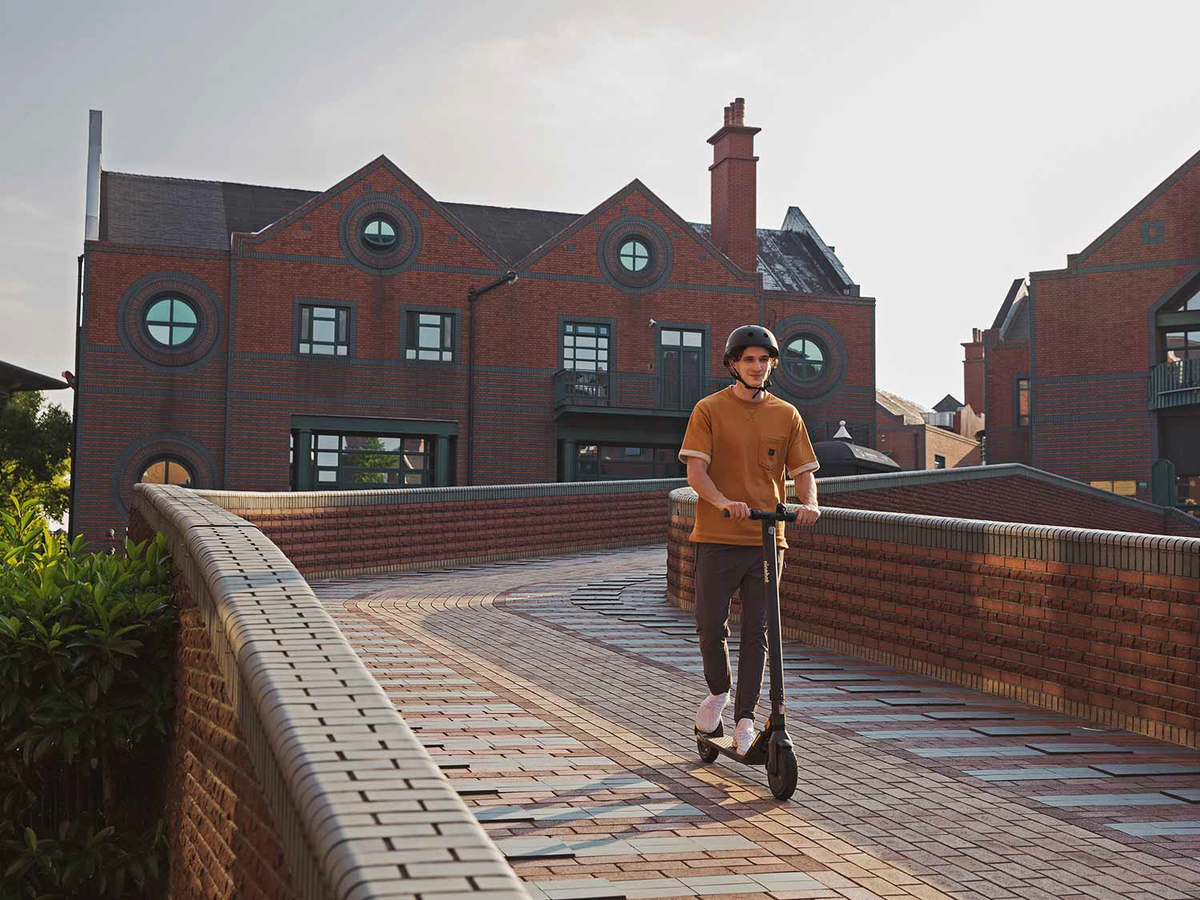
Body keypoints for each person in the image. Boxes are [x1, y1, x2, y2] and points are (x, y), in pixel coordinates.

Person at [678, 325, 821, 755]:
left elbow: (803, 473)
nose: (757, 367)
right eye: (749, 360)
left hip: (766, 539)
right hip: (719, 535)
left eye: (764, 360)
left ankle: (744, 720)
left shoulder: (787, 414)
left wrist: (809, 504)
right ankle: (718, 693)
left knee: (759, 631)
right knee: (710, 625)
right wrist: (723, 501)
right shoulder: (709, 410)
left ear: (772, 364)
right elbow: (696, 472)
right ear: (733, 365)